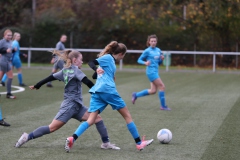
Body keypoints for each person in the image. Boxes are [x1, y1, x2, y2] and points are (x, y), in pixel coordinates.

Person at [15, 50, 120, 150]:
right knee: (52, 128)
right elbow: (87, 82)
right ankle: (27, 137)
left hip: (77, 106)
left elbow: (51, 77)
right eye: (81, 59)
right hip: (70, 106)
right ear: (75, 60)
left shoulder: (64, 70)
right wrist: (101, 92)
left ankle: (106, 143)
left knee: (97, 118)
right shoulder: (75, 70)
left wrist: (38, 85)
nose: (82, 62)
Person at [64, 41, 153, 152]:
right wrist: (97, 69)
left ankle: (72, 138)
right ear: (121, 54)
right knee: (127, 116)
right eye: (124, 55)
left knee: (91, 120)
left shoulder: (109, 60)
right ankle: (139, 143)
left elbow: (95, 75)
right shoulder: (108, 58)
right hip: (108, 90)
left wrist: (106, 75)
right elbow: (91, 62)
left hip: (98, 92)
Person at [131, 34, 171, 111]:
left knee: (153, 91)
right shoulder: (147, 51)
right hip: (151, 72)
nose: (153, 42)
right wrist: (145, 63)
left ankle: (136, 95)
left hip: (155, 71)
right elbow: (139, 60)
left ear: (156, 42)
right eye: (151, 41)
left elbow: (158, 63)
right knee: (162, 86)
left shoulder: (158, 50)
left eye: (154, 41)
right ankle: (163, 106)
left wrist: (161, 59)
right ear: (149, 42)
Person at [0, 29, 16, 99]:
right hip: (4, 61)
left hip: (7, 61)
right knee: (10, 77)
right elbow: (2, 50)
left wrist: (13, 50)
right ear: (4, 35)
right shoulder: (2, 41)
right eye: (8, 35)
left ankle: (8, 94)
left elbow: (9, 51)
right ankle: (8, 94)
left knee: (0, 77)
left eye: (11, 35)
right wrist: (5, 50)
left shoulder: (10, 42)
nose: (9, 36)